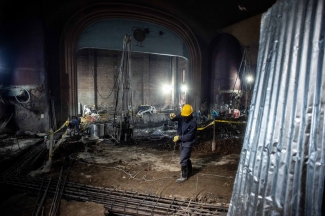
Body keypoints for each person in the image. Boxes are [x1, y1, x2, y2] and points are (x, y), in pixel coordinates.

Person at [170, 104, 197, 183]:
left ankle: (184, 176)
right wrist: (172, 117)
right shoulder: (183, 115)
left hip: (188, 142)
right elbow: (176, 118)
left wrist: (179, 137)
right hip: (181, 142)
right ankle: (189, 171)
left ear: (190, 114)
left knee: (183, 159)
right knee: (185, 158)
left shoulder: (193, 123)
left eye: (186, 116)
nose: (184, 117)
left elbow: (190, 136)